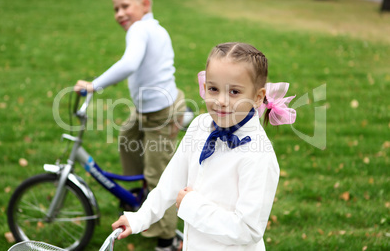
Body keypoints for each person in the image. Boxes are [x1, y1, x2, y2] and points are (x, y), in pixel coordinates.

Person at [111, 42, 296, 250]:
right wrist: (139, 219)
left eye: (234, 91)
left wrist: (192, 206)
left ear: (257, 97)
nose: (221, 101)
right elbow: (171, 182)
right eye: (213, 89)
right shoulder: (200, 126)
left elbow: (248, 230)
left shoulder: (258, 156)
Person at [74, 0, 186, 250]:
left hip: (160, 113)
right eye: (116, 9)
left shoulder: (141, 29)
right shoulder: (154, 29)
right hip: (148, 109)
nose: (120, 13)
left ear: (145, 5)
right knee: (127, 138)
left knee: (160, 175)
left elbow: (130, 63)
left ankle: (166, 238)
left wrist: (94, 84)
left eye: (125, 6)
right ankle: (140, 195)